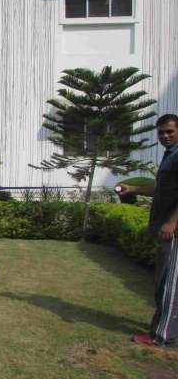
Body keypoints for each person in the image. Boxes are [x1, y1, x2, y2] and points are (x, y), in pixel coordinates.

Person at [118, 114, 178, 348]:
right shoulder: (170, 155)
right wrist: (133, 188)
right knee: (164, 281)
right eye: (161, 132)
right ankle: (161, 329)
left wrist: (172, 223)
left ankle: (161, 336)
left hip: (172, 231)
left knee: (169, 284)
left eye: (170, 132)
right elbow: (161, 189)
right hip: (164, 228)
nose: (165, 136)